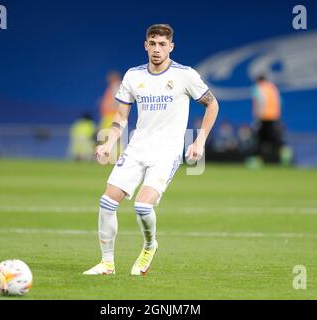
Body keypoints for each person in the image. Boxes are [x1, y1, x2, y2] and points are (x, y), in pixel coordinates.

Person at [83, 24, 219, 276]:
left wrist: (199, 142)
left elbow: (212, 105)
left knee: (142, 207)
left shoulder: (185, 75)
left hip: (166, 152)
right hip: (137, 147)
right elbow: (120, 117)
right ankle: (107, 264)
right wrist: (108, 144)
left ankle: (149, 246)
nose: (157, 49)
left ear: (171, 47)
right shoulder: (133, 76)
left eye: (162, 44)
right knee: (107, 201)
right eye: (153, 43)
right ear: (145, 45)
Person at [251, 74, 283, 163]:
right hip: (274, 116)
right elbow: (279, 101)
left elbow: (260, 102)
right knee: (273, 137)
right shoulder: (272, 87)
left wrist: (258, 116)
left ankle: (258, 159)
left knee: (260, 138)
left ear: (258, 80)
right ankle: (284, 153)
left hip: (263, 116)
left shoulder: (258, 88)